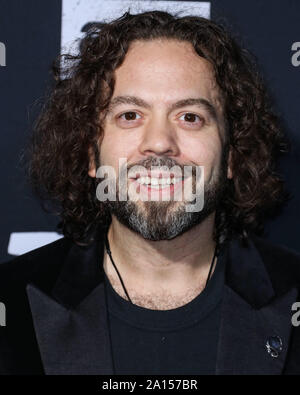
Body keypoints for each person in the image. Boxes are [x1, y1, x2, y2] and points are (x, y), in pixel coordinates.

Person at [1, 10, 300, 375]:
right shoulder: (11, 303)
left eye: (190, 117)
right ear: (88, 152)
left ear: (232, 156)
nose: (159, 143)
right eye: (130, 115)